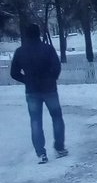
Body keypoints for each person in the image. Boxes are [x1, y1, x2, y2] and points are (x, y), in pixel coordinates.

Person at [10, 23, 68, 164]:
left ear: (26, 35)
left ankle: (41, 153)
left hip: (32, 90)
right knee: (57, 117)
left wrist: (26, 80)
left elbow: (14, 73)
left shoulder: (20, 51)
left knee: (36, 121)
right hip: (49, 88)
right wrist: (51, 78)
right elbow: (56, 66)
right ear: (38, 34)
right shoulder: (47, 49)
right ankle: (59, 148)